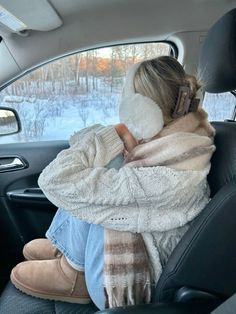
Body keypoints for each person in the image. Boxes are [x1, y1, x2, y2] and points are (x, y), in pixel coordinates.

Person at [10, 56, 215, 310]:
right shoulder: (179, 142)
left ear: (143, 110)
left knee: (98, 175)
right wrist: (118, 137)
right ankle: (69, 254)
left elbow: (54, 180)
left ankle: (75, 274)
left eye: (129, 101)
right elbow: (80, 141)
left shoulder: (169, 177)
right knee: (105, 163)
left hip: (129, 282)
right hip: (140, 250)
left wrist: (114, 135)